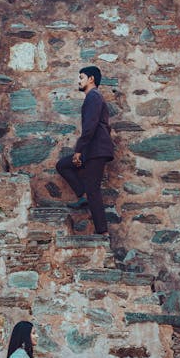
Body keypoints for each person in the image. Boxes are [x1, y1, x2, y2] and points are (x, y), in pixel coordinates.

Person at [56, 65, 114, 235]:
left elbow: (90, 127)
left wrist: (79, 150)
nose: (79, 81)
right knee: (63, 165)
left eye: (81, 77)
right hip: (93, 149)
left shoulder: (94, 96)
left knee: (94, 189)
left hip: (96, 149)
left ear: (91, 79)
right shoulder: (93, 97)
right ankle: (82, 196)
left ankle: (102, 231)